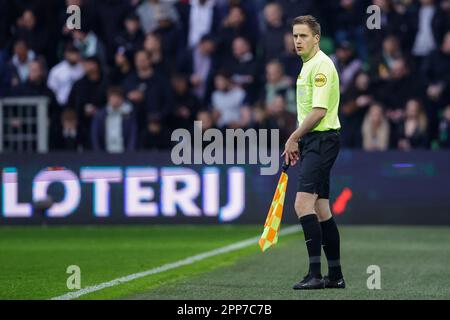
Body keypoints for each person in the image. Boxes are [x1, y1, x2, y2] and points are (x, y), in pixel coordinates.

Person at [282, 15, 345, 290]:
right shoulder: (309, 65)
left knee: (301, 205)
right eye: (295, 36)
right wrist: (300, 140)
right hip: (315, 141)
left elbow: (319, 112)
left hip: (321, 140)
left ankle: (315, 275)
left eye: (303, 36)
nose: (298, 40)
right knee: (321, 209)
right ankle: (335, 276)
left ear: (316, 38)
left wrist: (294, 137)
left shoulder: (320, 66)